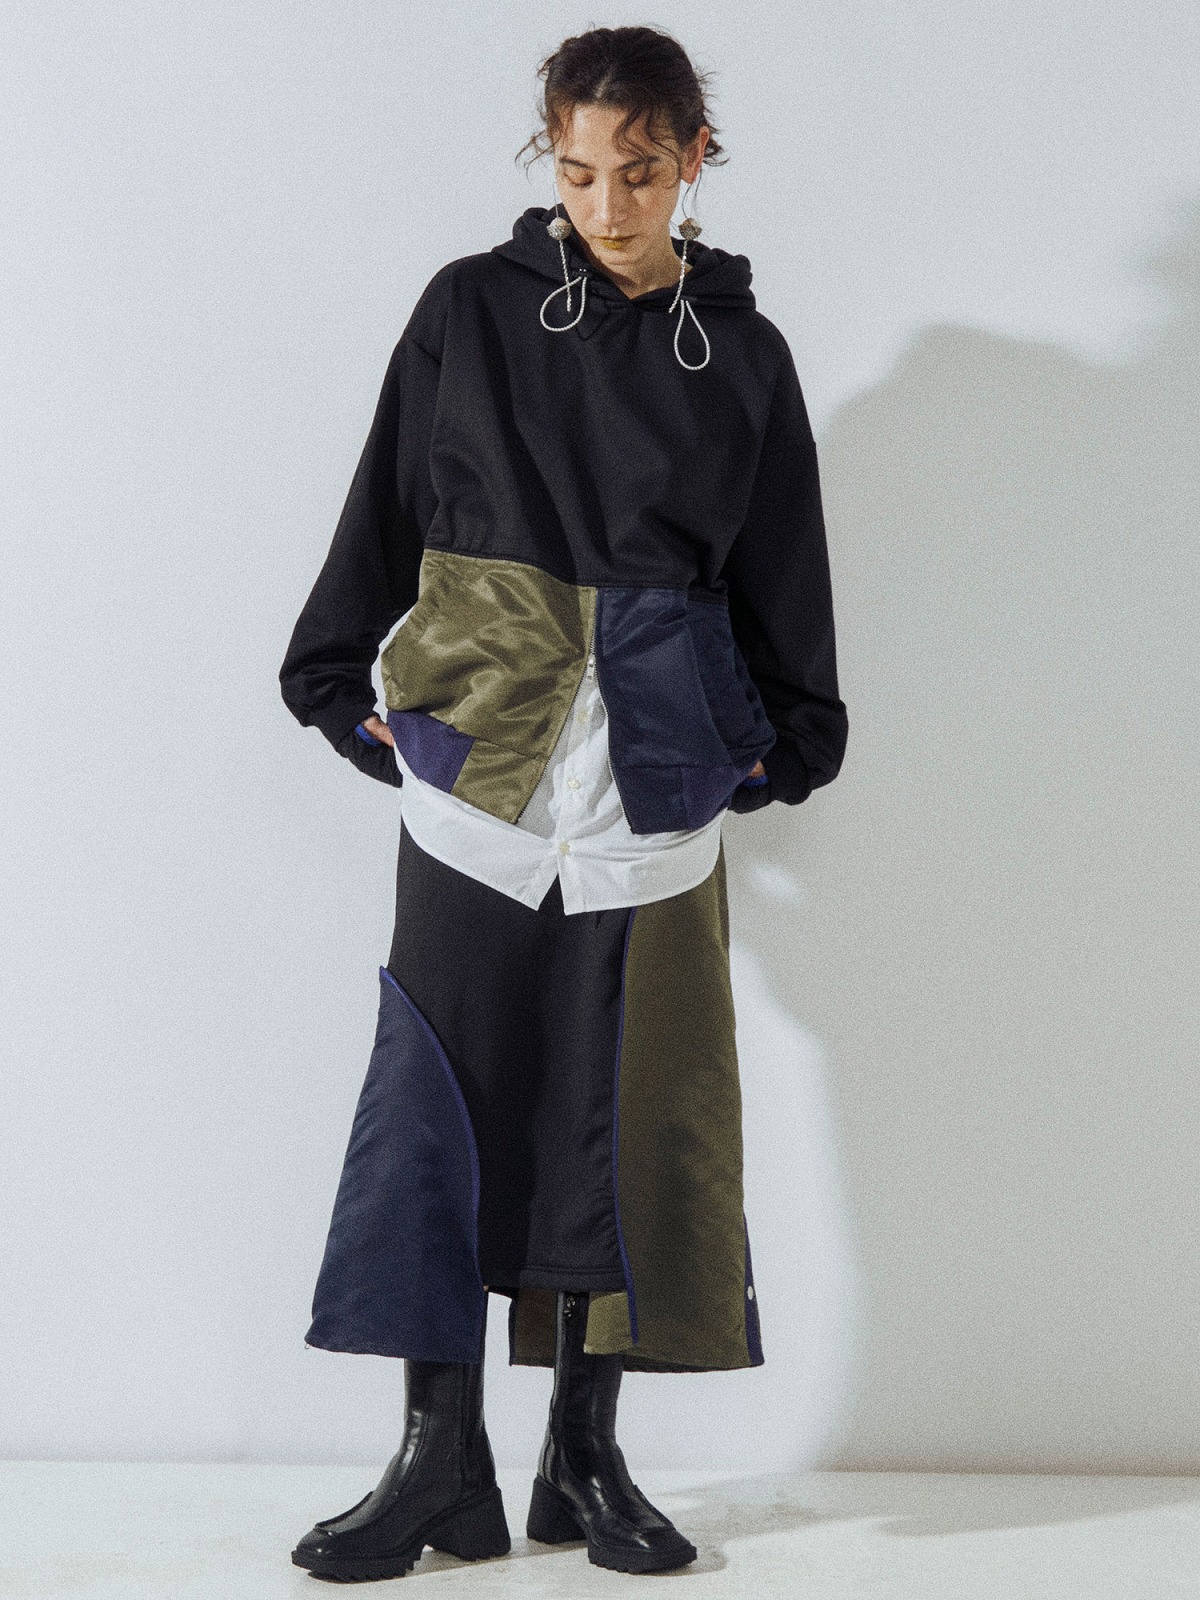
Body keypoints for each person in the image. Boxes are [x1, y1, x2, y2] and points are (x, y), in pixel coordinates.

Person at [278, 23, 848, 1583]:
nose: (607, 205)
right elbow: (388, 502)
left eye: (641, 173)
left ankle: (581, 1461)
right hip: (480, 763)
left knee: (625, 1109)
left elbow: (781, 563)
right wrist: (334, 676)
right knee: (439, 1107)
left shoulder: (743, 353)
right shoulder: (469, 309)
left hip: (654, 776)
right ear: (552, 154)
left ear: (696, 159)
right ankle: (436, 1461)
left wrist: (790, 734)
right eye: (581, 171)